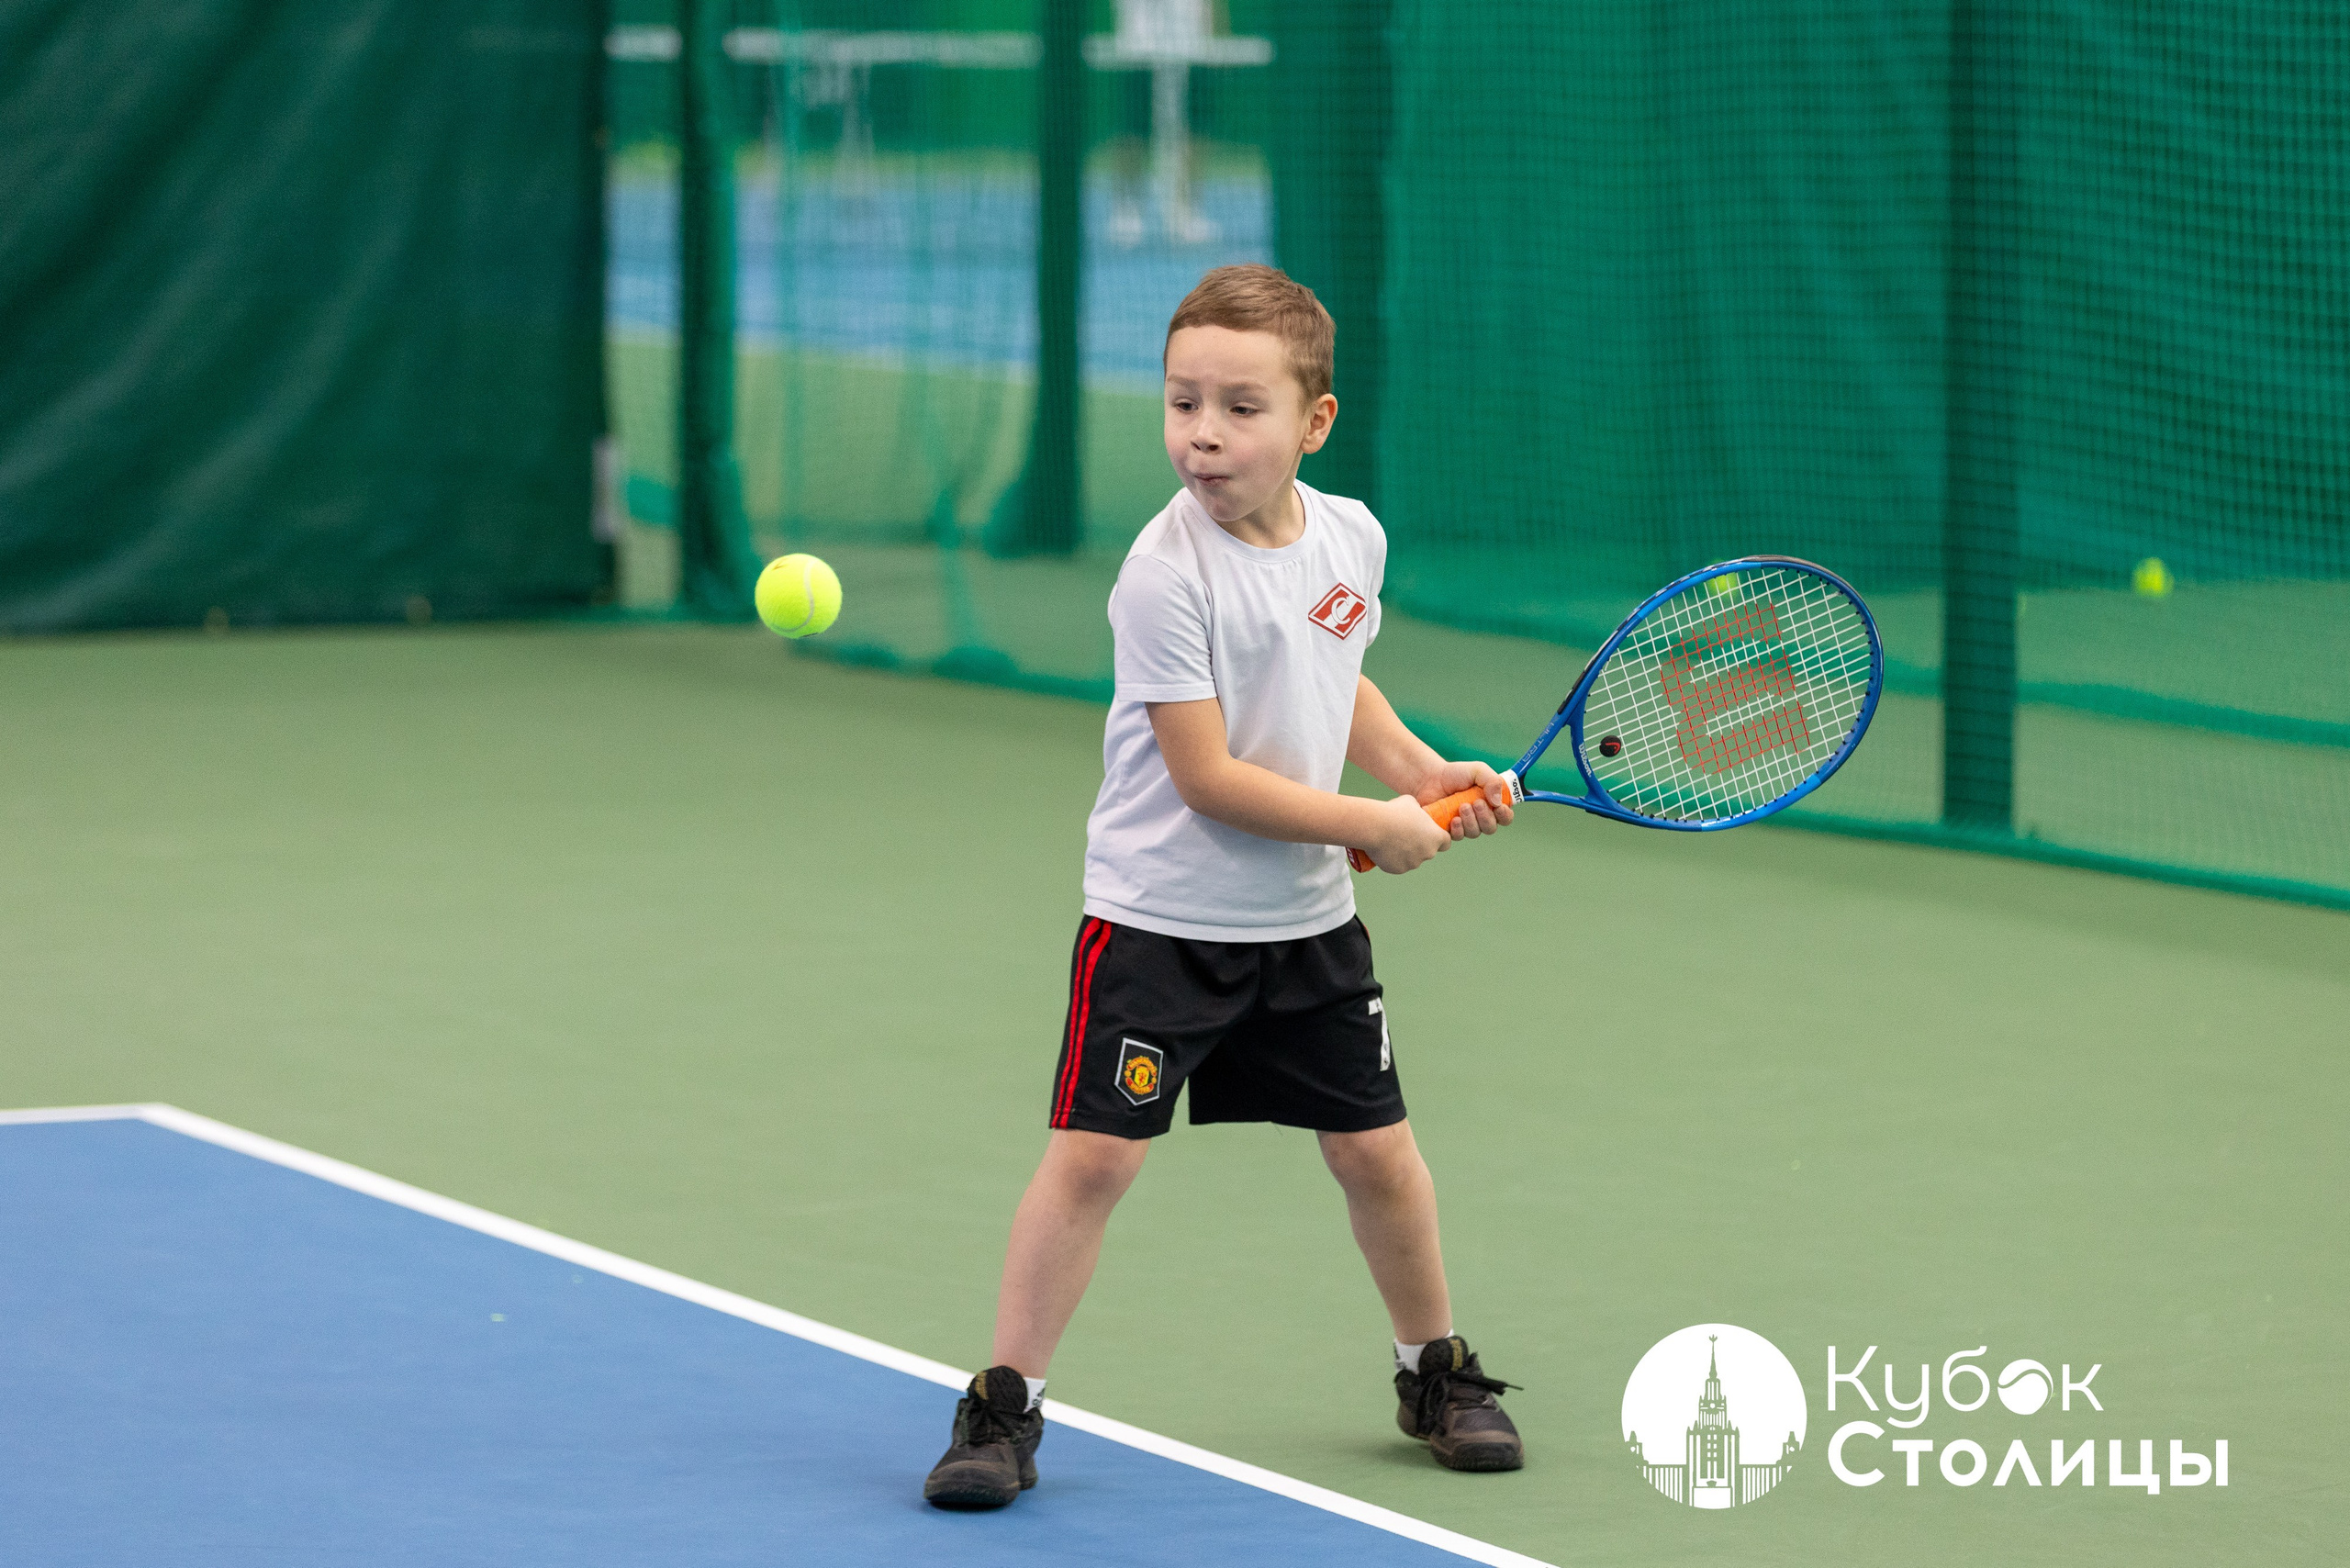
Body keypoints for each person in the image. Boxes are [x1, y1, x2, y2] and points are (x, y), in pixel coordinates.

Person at [924, 263, 1523, 1509]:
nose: (1202, 433)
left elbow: (1331, 667)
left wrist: (1420, 768)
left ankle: (1435, 1371)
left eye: (1240, 408)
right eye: (1182, 401)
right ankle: (1001, 1407)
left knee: (1378, 1157)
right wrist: (1377, 822)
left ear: (1315, 422)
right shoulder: (1162, 573)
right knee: (1094, 1163)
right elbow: (1208, 776)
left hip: (1307, 929)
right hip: (1159, 926)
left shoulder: (1350, 535)